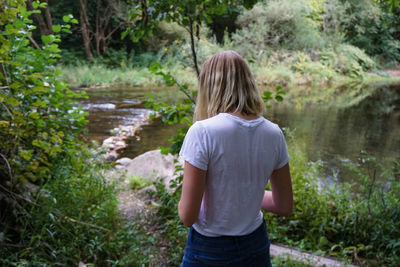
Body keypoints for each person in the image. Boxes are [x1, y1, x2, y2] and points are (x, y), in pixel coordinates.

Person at [178, 50, 293, 266]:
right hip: (256, 245)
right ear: (248, 82)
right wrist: (242, 195)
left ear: (209, 87)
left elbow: (187, 216)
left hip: (209, 249)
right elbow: (284, 205)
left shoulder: (202, 131)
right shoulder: (273, 133)